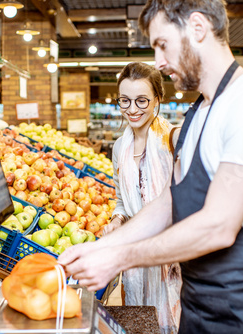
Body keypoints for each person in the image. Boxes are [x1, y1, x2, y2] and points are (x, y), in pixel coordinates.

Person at [58, 0, 243, 333]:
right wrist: (100, 247)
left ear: (198, 27)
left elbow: (218, 226)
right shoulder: (199, 113)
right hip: (198, 305)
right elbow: (171, 202)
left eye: (162, 45)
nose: (158, 61)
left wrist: (119, 258)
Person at [104, 61, 181, 334]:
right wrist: (117, 220)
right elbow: (122, 200)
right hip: (135, 258)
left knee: (171, 324)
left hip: (172, 255)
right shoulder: (119, 147)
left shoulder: (171, 140)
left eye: (141, 100)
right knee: (140, 323)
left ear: (157, 99)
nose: (132, 109)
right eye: (125, 100)